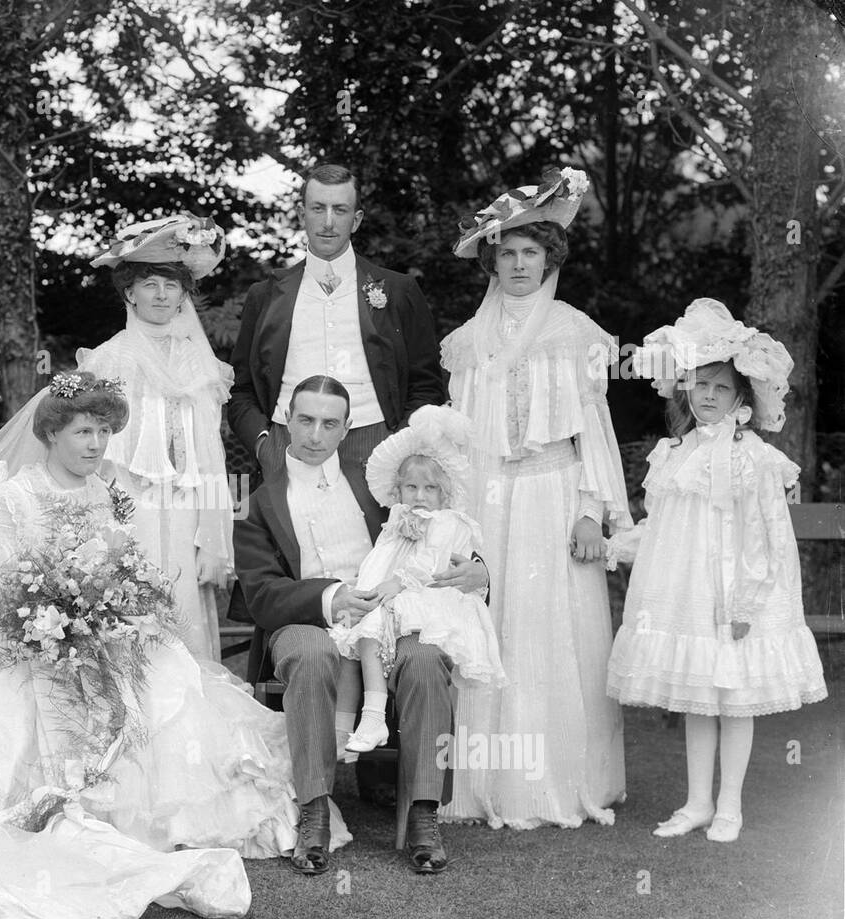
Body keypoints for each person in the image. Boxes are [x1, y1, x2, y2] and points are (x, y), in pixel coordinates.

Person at [0, 373, 350, 919]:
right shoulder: (13, 496)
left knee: (174, 679)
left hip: (111, 639)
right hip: (43, 649)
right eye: (84, 431)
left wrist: (121, 606)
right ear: (51, 433)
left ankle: (171, 813)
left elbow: (121, 564)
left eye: (105, 432)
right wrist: (53, 620)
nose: (96, 444)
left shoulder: (105, 492)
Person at [0, 213, 234, 662]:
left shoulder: (201, 366)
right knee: (132, 617)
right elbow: (87, 448)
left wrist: (213, 539)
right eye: (149, 283)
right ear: (129, 291)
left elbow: (211, 457)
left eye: (171, 285)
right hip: (128, 509)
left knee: (185, 624)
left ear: (183, 295)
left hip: (186, 508)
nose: (160, 295)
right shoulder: (112, 359)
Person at [439, 167, 633, 830]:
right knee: (489, 626)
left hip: (555, 495)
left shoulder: (574, 332)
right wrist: (454, 520)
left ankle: (561, 779)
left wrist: (591, 509)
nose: (519, 264)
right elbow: (459, 440)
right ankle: (485, 782)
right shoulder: (469, 343)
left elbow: (595, 432)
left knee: (557, 630)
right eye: (508, 254)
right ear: (492, 262)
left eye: (531, 253)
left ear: (551, 259)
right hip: (491, 500)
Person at [233, 376, 488, 875]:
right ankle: (312, 811)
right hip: (307, 618)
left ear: (347, 427)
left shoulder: (378, 484)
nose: (315, 434)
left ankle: (423, 812)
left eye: (330, 423)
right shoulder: (258, 499)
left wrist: (477, 569)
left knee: (426, 657)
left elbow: (440, 528)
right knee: (312, 653)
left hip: (395, 610)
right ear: (286, 419)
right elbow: (261, 593)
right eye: (305, 420)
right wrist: (331, 597)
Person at [605, 299, 826, 842]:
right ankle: (698, 801)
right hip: (688, 594)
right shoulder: (673, 452)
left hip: (737, 596)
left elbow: (765, 534)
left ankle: (730, 805)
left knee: (735, 699)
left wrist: (747, 602)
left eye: (720, 387)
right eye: (700, 384)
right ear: (685, 387)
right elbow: (661, 524)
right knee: (698, 699)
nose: (707, 395)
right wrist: (620, 545)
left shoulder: (753, 458)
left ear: (741, 398)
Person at [228, 163, 445, 478]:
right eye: (318, 208)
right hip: (285, 448)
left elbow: (426, 384)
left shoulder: (399, 291)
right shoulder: (265, 295)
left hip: (375, 449)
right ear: (302, 215)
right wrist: (264, 445)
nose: (328, 222)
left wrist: (400, 445)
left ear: (356, 220)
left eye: (340, 210)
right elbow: (242, 388)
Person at [331, 406, 505, 755]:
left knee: (369, 630)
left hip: (426, 599)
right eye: (411, 487)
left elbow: (429, 565)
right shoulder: (398, 520)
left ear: (445, 494)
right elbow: (379, 558)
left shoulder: (447, 522)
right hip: (389, 593)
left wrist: (393, 586)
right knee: (350, 646)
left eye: (430, 489)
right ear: (398, 489)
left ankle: (374, 715)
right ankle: (340, 738)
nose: (420, 496)